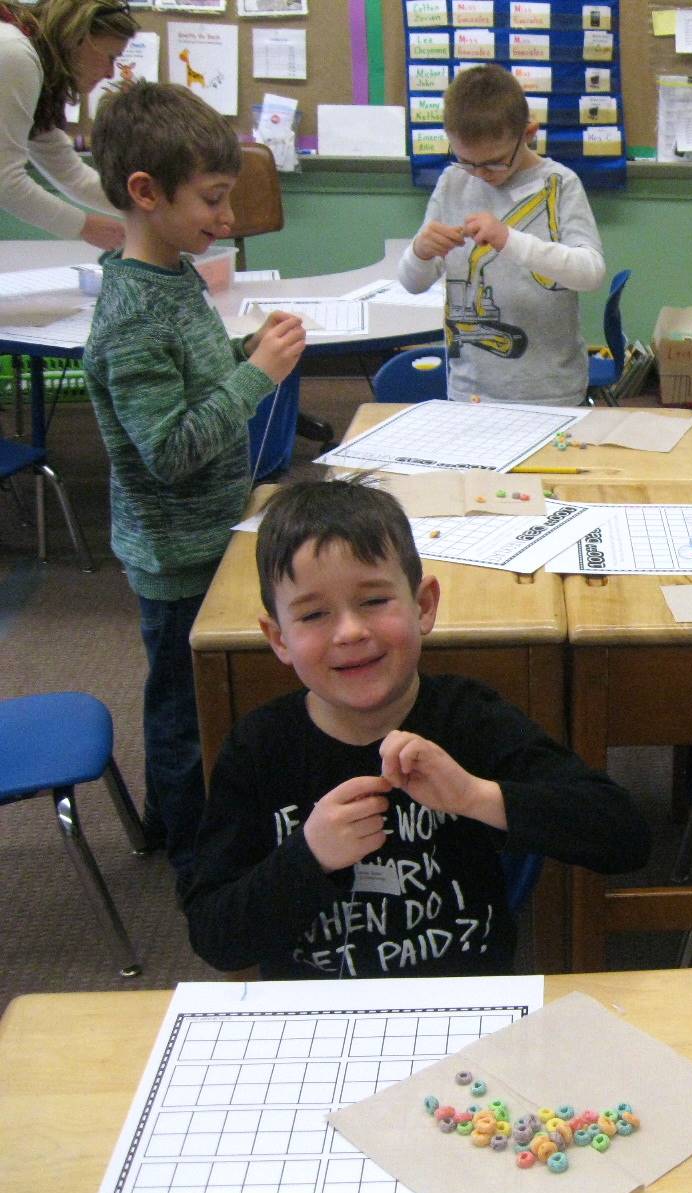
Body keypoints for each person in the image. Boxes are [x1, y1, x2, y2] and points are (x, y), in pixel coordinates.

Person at [182, 480, 650, 978]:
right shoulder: (259, 748)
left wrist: (476, 797)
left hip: (466, 1012)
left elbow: (624, 836)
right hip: (317, 1021)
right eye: (314, 614)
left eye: (375, 601)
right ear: (278, 638)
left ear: (423, 606)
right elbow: (215, 937)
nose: (350, 632)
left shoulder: (469, 718)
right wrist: (308, 855)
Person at [83, 81, 306, 874]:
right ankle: (189, 854)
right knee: (183, 709)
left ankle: (182, 817)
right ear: (145, 193)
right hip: (177, 557)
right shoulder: (132, 316)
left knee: (198, 693)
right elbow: (170, 448)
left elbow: (193, 387)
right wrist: (259, 378)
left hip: (210, 530)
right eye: (213, 199)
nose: (229, 218)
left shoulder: (172, 278)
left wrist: (244, 357)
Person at [397, 63, 605, 405]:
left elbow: (591, 272)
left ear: (528, 133)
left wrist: (510, 240)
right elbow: (412, 283)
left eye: (494, 163)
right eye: (466, 160)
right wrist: (419, 251)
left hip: (550, 391)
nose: (480, 174)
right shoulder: (452, 182)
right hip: (471, 389)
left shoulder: (560, 183)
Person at [0, 0, 136, 248]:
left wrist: (139, 206)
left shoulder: (34, 60)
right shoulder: (15, 53)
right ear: (78, 36)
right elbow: (4, 182)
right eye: (110, 57)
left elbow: (68, 171)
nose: (110, 73)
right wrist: (83, 226)